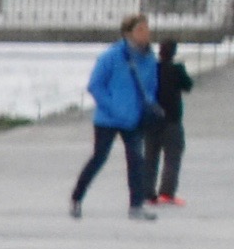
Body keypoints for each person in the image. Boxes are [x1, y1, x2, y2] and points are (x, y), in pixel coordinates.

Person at [72, 14, 161, 219]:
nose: (146, 33)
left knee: (136, 161)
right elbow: (95, 85)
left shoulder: (149, 58)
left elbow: (151, 86)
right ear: (128, 33)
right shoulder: (111, 56)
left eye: (147, 29)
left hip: (134, 118)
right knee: (99, 158)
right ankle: (77, 198)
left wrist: (148, 104)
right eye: (140, 29)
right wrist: (112, 107)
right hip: (108, 119)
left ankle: (136, 205)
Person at [150, 38, 193, 208]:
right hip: (172, 120)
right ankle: (166, 193)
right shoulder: (177, 69)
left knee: (150, 157)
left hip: (152, 119)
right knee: (172, 158)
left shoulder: (152, 69)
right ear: (174, 52)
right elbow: (188, 86)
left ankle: (147, 192)